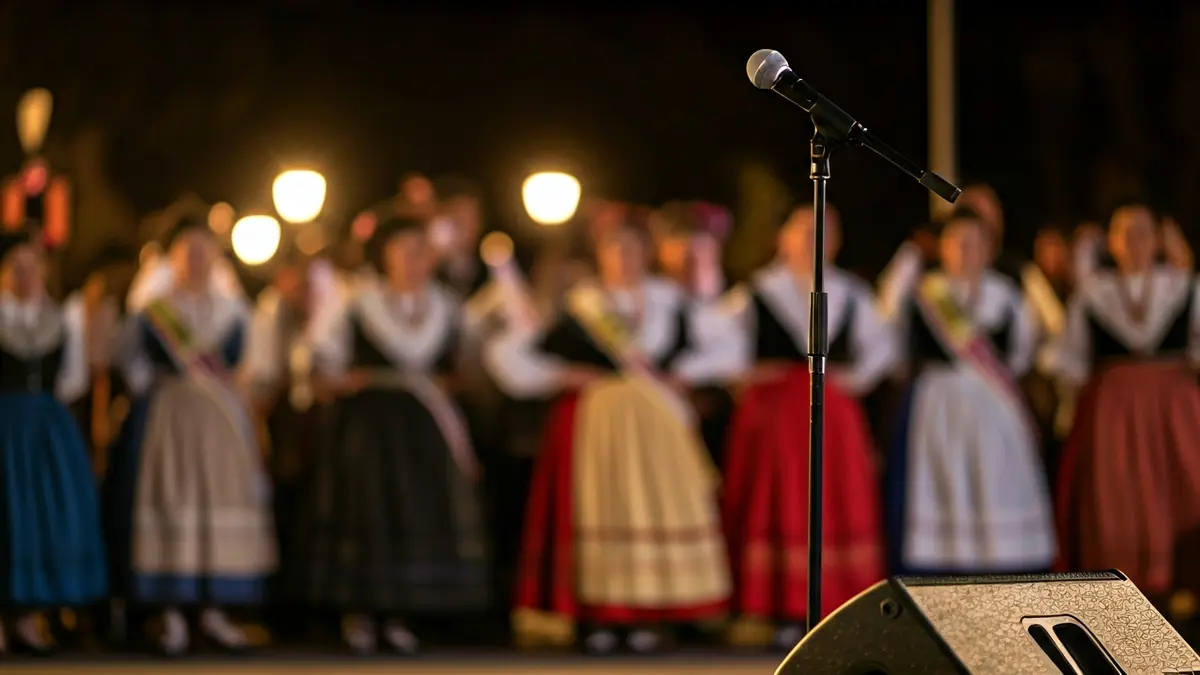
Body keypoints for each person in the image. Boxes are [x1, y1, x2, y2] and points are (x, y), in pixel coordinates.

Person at [486, 222, 738, 655]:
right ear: (601, 255)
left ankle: (648, 614)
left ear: (647, 254)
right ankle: (599, 615)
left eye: (632, 249)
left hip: (655, 427)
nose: (624, 259)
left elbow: (727, 346)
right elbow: (514, 354)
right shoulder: (583, 304)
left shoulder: (669, 301)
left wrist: (686, 375)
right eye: (615, 250)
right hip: (596, 426)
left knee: (651, 512)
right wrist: (558, 375)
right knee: (598, 511)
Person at [303, 216, 489, 655]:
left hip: (424, 427)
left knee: (417, 510)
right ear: (384, 257)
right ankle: (361, 613)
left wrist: (457, 383)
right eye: (402, 251)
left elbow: (471, 366)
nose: (412, 261)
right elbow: (318, 361)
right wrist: (339, 379)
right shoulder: (357, 303)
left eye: (420, 252)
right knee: (368, 511)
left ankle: (402, 612)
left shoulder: (447, 306)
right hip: (371, 426)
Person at [721, 205, 891, 649]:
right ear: (783, 237)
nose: (816, 239)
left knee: (833, 503)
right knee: (778, 502)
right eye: (806, 230)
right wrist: (746, 376)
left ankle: (837, 605)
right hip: (776, 418)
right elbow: (720, 345)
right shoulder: (757, 291)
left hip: (832, 418)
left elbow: (881, 346)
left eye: (826, 232)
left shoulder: (850, 291)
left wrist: (854, 380)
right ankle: (777, 607)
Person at [105, 215, 276, 656]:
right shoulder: (152, 312)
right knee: (170, 500)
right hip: (169, 420)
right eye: (187, 249)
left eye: (205, 248)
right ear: (172, 257)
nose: (197, 258)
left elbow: (251, 369)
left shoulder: (234, 311)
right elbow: (132, 368)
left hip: (221, 424)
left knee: (219, 505)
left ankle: (214, 609)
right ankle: (169, 611)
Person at [880, 207, 1055, 575]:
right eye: (956, 241)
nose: (965, 251)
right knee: (942, 483)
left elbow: (1022, 354)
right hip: (937, 407)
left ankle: (1000, 569)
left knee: (994, 481)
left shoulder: (1006, 295)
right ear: (941, 247)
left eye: (974, 242)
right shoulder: (923, 294)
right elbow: (890, 341)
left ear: (989, 248)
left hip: (993, 406)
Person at [1052, 202, 1200, 603]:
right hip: (1113, 414)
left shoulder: (1183, 284)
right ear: (1111, 242)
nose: (1134, 242)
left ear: (1158, 238)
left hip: (1175, 412)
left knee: (1182, 489)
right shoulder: (1093, 292)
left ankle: (1181, 586)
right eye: (1124, 233)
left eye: (1143, 232)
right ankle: (1123, 589)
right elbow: (1071, 360)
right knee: (1118, 495)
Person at [0, 230, 107, 655]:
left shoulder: (59, 320)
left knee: (42, 516)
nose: (26, 276)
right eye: (16, 268)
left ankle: (28, 617)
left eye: (33, 267)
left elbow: (72, 379)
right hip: (5, 425)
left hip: (45, 426)